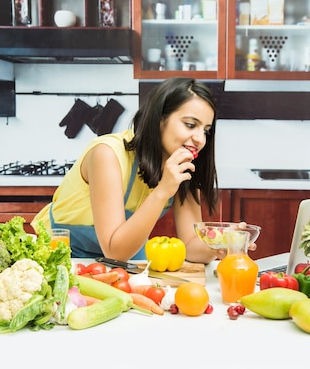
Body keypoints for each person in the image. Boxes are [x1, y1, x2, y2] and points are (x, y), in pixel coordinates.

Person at [31, 77, 249, 263]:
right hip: (63, 255)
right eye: (191, 125)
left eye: (206, 130)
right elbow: (114, 250)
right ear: (159, 119)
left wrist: (220, 244)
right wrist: (163, 190)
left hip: (125, 256)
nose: (200, 139)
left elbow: (191, 245)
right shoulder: (107, 154)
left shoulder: (181, 164)